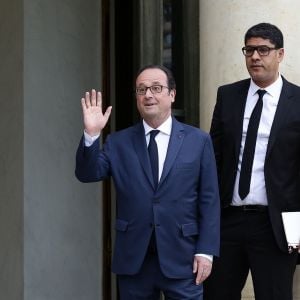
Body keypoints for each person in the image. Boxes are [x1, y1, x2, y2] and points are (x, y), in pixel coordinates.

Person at [75, 65, 220, 299]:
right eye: (141, 90)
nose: (148, 95)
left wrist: (206, 251)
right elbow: (87, 173)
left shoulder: (198, 140)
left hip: (183, 257)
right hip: (134, 259)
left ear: (172, 95)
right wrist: (91, 135)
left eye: (156, 88)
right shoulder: (118, 142)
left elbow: (209, 199)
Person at [204, 23, 300, 300]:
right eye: (249, 50)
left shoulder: (297, 101)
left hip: (275, 227)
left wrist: (297, 237)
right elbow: (214, 157)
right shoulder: (228, 95)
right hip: (227, 222)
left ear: (280, 54)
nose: (255, 57)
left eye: (263, 50)